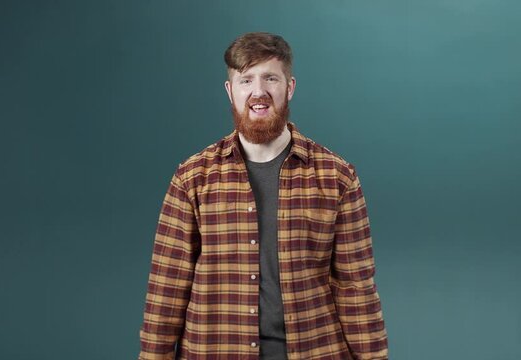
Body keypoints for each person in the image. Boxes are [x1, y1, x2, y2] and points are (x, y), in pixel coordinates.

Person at [139, 32, 388, 360]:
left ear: (290, 87)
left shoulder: (337, 177)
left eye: (270, 78)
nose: (259, 92)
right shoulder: (192, 178)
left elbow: (356, 289)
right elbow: (166, 289)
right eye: (246, 80)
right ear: (230, 91)